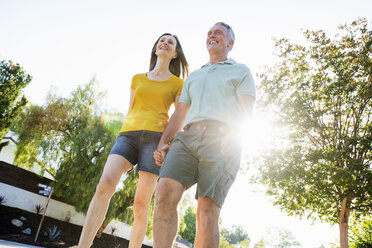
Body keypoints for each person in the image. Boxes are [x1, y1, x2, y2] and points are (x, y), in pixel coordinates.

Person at [77, 33, 189, 248]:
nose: (164, 43)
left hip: (155, 139)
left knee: (140, 204)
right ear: (156, 49)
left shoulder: (178, 84)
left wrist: (166, 145)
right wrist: (122, 133)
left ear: (175, 54)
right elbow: (130, 111)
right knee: (105, 185)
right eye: (161, 41)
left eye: (170, 42)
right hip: (128, 136)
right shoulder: (137, 78)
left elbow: (178, 118)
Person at [153, 22, 256, 248]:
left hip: (222, 140)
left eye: (218, 32)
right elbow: (180, 113)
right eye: (209, 32)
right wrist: (162, 143)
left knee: (206, 210)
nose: (212, 35)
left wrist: (235, 136)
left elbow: (246, 111)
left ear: (230, 43)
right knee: (163, 194)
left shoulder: (241, 71)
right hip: (187, 138)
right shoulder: (195, 76)